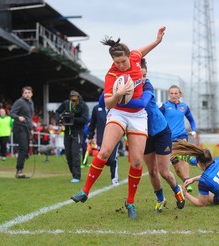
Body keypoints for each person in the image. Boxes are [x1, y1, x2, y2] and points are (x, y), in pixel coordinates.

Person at [71, 26, 166, 219]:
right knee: (104, 151)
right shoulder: (111, 75)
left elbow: (145, 49)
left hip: (138, 116)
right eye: (116, 62)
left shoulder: (135, 58)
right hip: (118, 113)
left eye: (123, 61)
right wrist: (119, 94)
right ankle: (85, 191)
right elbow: (107, 102)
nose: (121, 65)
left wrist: (157, 40)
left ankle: (130, 202)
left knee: (138, 161)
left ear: (129, 56)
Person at [124, 58, 185, 212]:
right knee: (152, 171)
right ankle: (160, 199)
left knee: (164, 172)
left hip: (161, 132)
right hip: (144, 134)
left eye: (144, 75)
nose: (142, 79)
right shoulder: (128, 86)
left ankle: (177, 190)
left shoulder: (148, 87)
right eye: (140, 75)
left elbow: (141, 104)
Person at [172, 140, 219, 206]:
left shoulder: (204, 181)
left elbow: (201, 203)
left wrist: (185, 193)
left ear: (201, 164)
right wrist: (194, 179)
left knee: (208, 194)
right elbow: (213, 175)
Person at [160, 85, 197, 192]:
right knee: (176, 165)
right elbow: (157, 118)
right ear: (168, 94)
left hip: (182, 135)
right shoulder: (164, 107)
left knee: (183, 154)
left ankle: (190, 160)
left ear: (179, 94)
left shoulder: (184, 107)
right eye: (171, 93)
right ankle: (187, 181)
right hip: (168, 137)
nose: (173, 95)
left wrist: (193, 130)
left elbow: (192, 121)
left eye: (176, 93)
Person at [55, 90, 89, 183]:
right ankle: (73, 174)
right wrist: (59, 120)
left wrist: (73, 118)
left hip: (78, 133)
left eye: (75, 100)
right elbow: (57, 112)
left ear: (78, 98)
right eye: (72, 100)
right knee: (68, 155)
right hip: (67, 133)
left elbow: (84, 119)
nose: (73, 102)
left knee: (75, 154)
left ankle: (77, 176)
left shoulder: (83, 106)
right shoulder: (66, 104)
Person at [88, 102, 119, 185]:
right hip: (101, 139)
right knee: (104, 160)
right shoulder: (97, 108)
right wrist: (90, 136)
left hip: (114, 138)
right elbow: (92, 123)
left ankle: (114, 180)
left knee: (112, 159)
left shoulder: (117, 108)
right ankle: (93, 177)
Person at [10, 86, 34, 179]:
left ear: (32, 94)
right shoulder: (20, 102)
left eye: (29, 92)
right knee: (23, 148)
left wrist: (31, 128)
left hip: (27, 128)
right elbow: (11, 113)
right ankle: (19, 171)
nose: (27, 94)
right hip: (19, 127)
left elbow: (30, 117)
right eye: (26, 93)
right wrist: (18, 117)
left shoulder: (31, 103)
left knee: (25, 149)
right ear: (22, 94)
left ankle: (20, 169)